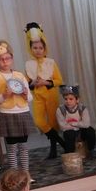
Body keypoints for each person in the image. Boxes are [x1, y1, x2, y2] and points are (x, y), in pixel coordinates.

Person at [0, 39, 36, 172]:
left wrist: (25, 95)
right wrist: (3, 96)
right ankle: (14, 174)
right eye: (1, 59)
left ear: (12, 58)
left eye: (7, 58)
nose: (5, 62)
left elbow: (30, 97)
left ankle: (25, 174)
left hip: (23, 112)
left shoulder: (19, 75)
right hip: (8, 114)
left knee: (23, 146)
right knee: (12, 148)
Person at [24, 23, 66, 159]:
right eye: (35, 48)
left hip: (51, 95)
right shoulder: (28, 64)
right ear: (30, 48)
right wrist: (33, 83)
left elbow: (59, 80)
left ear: (44, 48)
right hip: (38, 97)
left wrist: (45, 82)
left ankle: (53, 149)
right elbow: (26, 83)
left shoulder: (50, 62)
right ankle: (63, 143)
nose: (38, 50)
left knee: (53, 122)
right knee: (39, 121)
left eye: (40, 48)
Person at [56, 85, 96, 159]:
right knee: (69, 134)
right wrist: (78, 125)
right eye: (66, 99)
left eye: (71, 99)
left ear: (77, 100)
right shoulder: (60, 110)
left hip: (81, 131)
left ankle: (91, 150)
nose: (68, 101)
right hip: (70, 131)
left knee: (90, 131)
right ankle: (70, 154)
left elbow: (86, 124)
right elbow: (63, 126)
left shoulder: (82, 108)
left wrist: (74, 124)